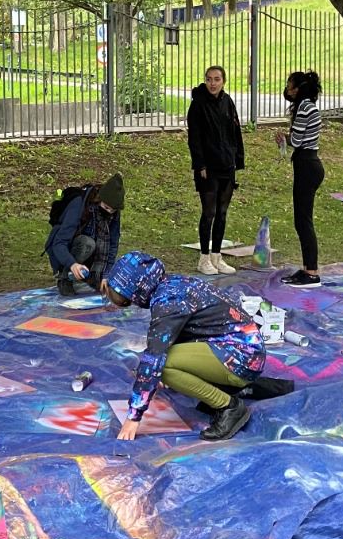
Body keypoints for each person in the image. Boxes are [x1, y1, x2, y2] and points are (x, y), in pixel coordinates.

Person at [105, 252, 292, 442]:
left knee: (164, 366)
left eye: (128, 298)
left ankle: (229, 406)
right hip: (243, 350)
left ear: (137, 289)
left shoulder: (167, 302)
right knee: (161, 364)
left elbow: (154, 357)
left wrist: (134, 416)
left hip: (240, 356)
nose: (131, 303)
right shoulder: (173, 284)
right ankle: (232, 387)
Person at [186, 64, 244, 276]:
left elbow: (235, 131)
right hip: (208, 167)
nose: (212, 83)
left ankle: (217, 256)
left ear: (223, 81)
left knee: (222, 212)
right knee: (209, 212)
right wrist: (200, 164)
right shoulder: (198, 105)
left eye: (217, 79)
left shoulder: (227, 102)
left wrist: (237, 159)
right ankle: (204, 257)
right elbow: (195, 138)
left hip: (226, 165)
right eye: (209, 79)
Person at [274, 70, 324, 287]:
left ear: (298, 88)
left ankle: (311, 272)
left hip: (307, 164)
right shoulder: (307, 107)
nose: (288, 89)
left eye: (290, 85)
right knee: (302, 220)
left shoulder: (304, 108)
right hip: (307, 163)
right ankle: (308, 268)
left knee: (303, 220)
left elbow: (296, 139)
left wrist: (284, 137)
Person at [43, 173, 123, 295]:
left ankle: (93, 276)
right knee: (87, 243)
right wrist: (72, 264)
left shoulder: (113, 212)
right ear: (99, 199)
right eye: (106, 208)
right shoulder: (79, 205)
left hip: (90, 251)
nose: (109, 212)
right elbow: (58, 243)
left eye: (113, 210)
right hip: (68, 249)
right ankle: (65, 279)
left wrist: (106, 275)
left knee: (101, 283)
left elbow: (112, 245)